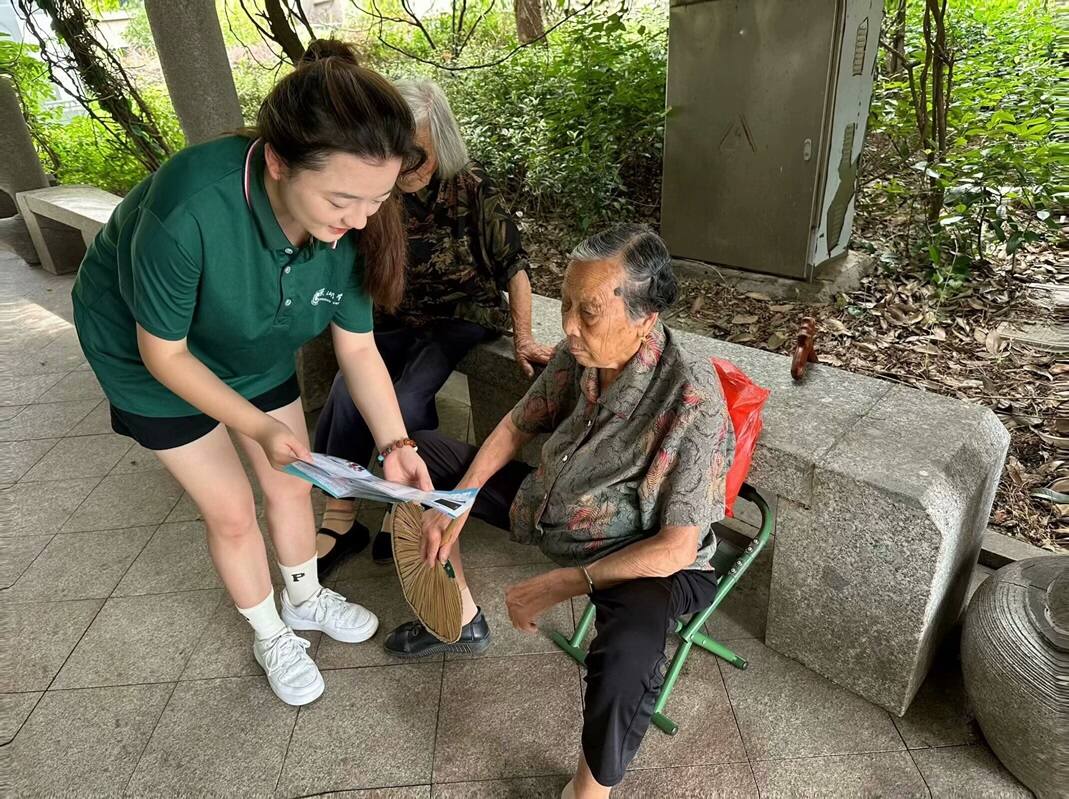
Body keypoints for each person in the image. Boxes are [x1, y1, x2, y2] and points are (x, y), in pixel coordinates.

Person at [70, 39, 432, 707]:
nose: (358, 220)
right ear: (276, 162)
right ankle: (270, 632)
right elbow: (166, 354)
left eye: (376, 201)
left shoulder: (352, 220)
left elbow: (357, 349)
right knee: (233, 509)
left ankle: (304, 596)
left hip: (251, 332)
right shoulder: (189, 212)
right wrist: (257, 427)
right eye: (342, 201)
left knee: (291, 482)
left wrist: (397, 445)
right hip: (147, 352)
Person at [384, 225, 734, 798]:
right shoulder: (584, 354)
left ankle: (589, 790)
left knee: (629, 655)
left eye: (588, 311)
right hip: (549, 504)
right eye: (565, 303)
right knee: (417, 457)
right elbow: (521, 421)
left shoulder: (692, 398)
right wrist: (461, 498)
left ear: (645, 318)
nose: (568, 325)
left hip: (642, 553)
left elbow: (675, 546)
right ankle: (463, 617)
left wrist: (560, 586)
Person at [313, 78, 552, 573]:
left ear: (441, 141)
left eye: (417, 155)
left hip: (457, 316)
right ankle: (342, 511)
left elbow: (515, 266)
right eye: (398, 154)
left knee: (407, 396)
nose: (407, 168)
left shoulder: (472, 185)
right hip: (394, 314)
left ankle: (407, 500)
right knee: (345, 389)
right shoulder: (379, 189)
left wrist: (524, 336)